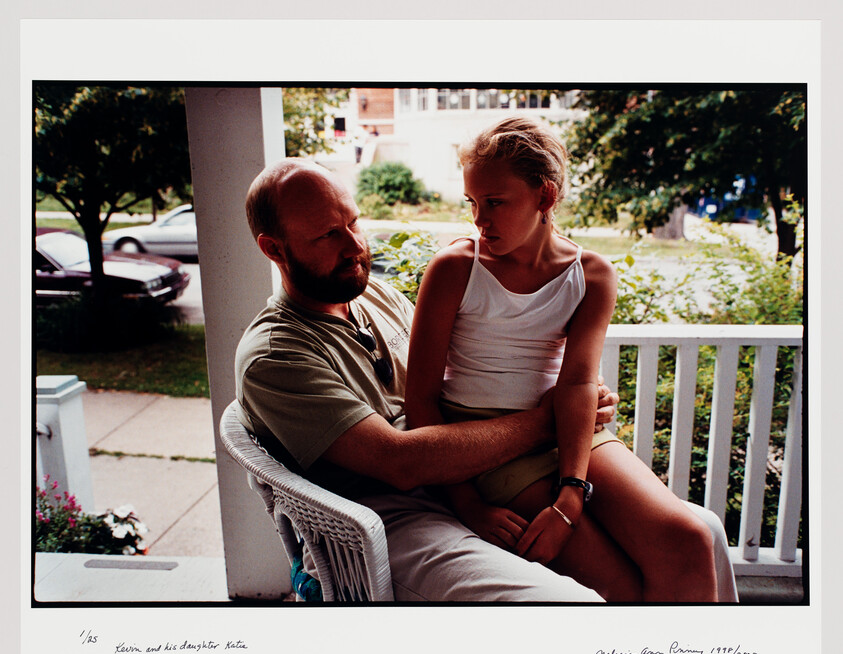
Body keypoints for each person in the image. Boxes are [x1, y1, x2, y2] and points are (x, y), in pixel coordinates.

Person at [235, 156, 738, 602]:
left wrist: (579, 402)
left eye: (353, 223)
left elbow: (471, 373)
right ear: (274, 248)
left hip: (466, 479)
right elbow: (401, 463)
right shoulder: (275, 356)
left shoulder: (376, 298)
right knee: (582, 604)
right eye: (327, 234)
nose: (354, 246)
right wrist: (552, 421)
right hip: (390, 524)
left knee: (700, 533)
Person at [404, 116, 734, 602]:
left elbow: (579, 384)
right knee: (621, 588)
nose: (480, 220)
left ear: (546, 196)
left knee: (687, 540)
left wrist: (570, 497)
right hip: (483, 438)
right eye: (473, 202)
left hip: (570, 431)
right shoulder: (456, 267)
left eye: (495, 203)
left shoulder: (591, 274)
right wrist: (467, 505)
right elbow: (421, 402)